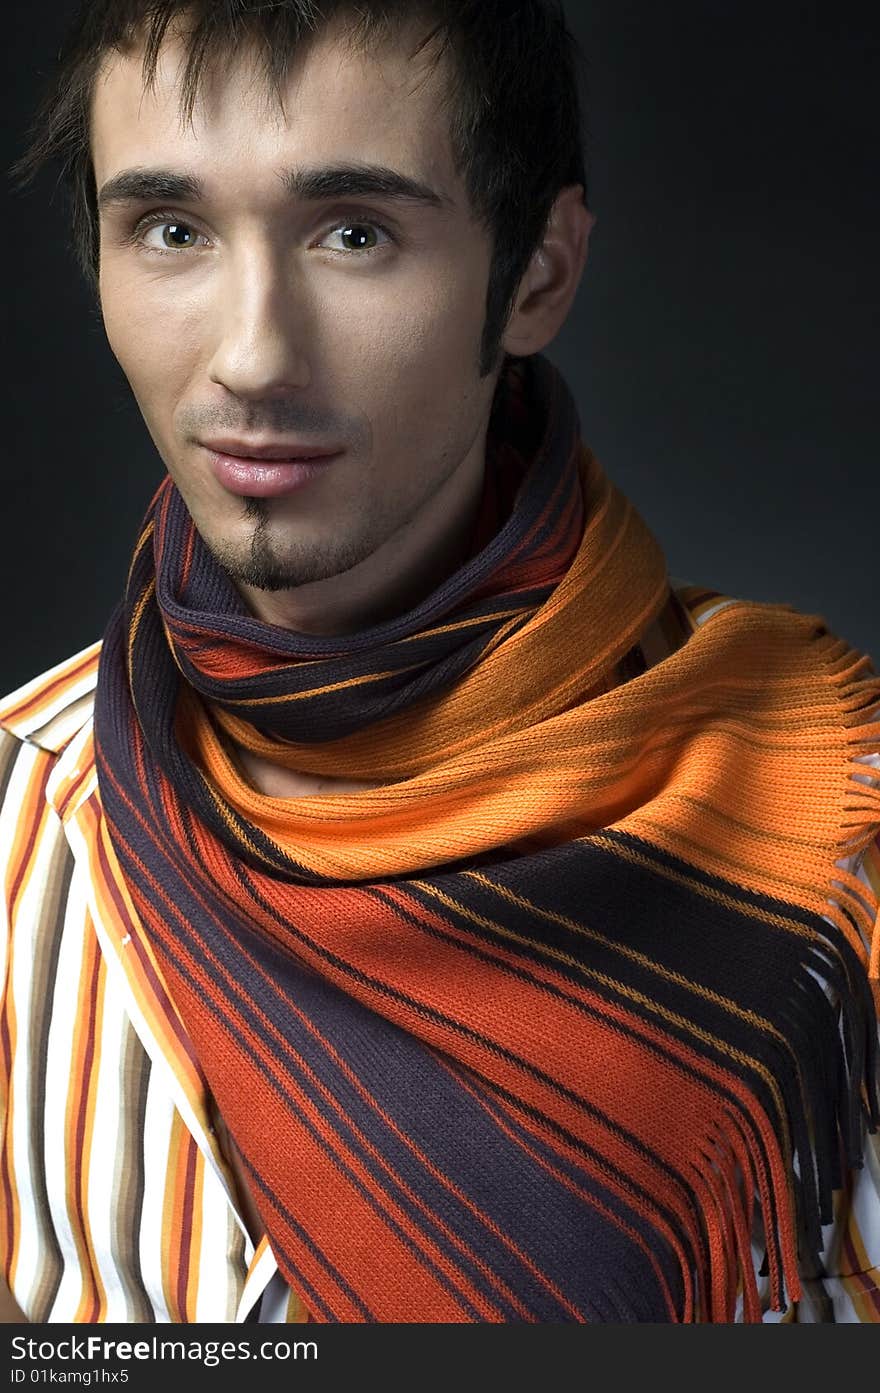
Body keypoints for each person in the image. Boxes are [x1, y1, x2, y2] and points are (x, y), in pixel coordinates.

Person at [1, 0, 878, 1326]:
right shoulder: (14, 816)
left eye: (355, 233)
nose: (250, 357)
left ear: (536, 273)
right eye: (171, 231)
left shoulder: (841, 838)